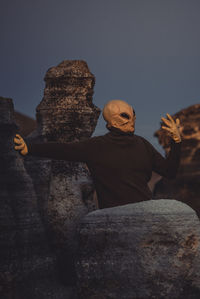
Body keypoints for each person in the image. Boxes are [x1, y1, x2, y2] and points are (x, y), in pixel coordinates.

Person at [14, 100, 181, 209]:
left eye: (133, 112)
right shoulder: (97, 146)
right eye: (125, 115)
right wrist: (30, 148)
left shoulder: (142, 144)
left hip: (145, 216)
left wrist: (176, 141)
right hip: (114, 220)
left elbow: (170, 171)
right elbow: (64, 149)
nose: (132, 118)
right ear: (111, 121)